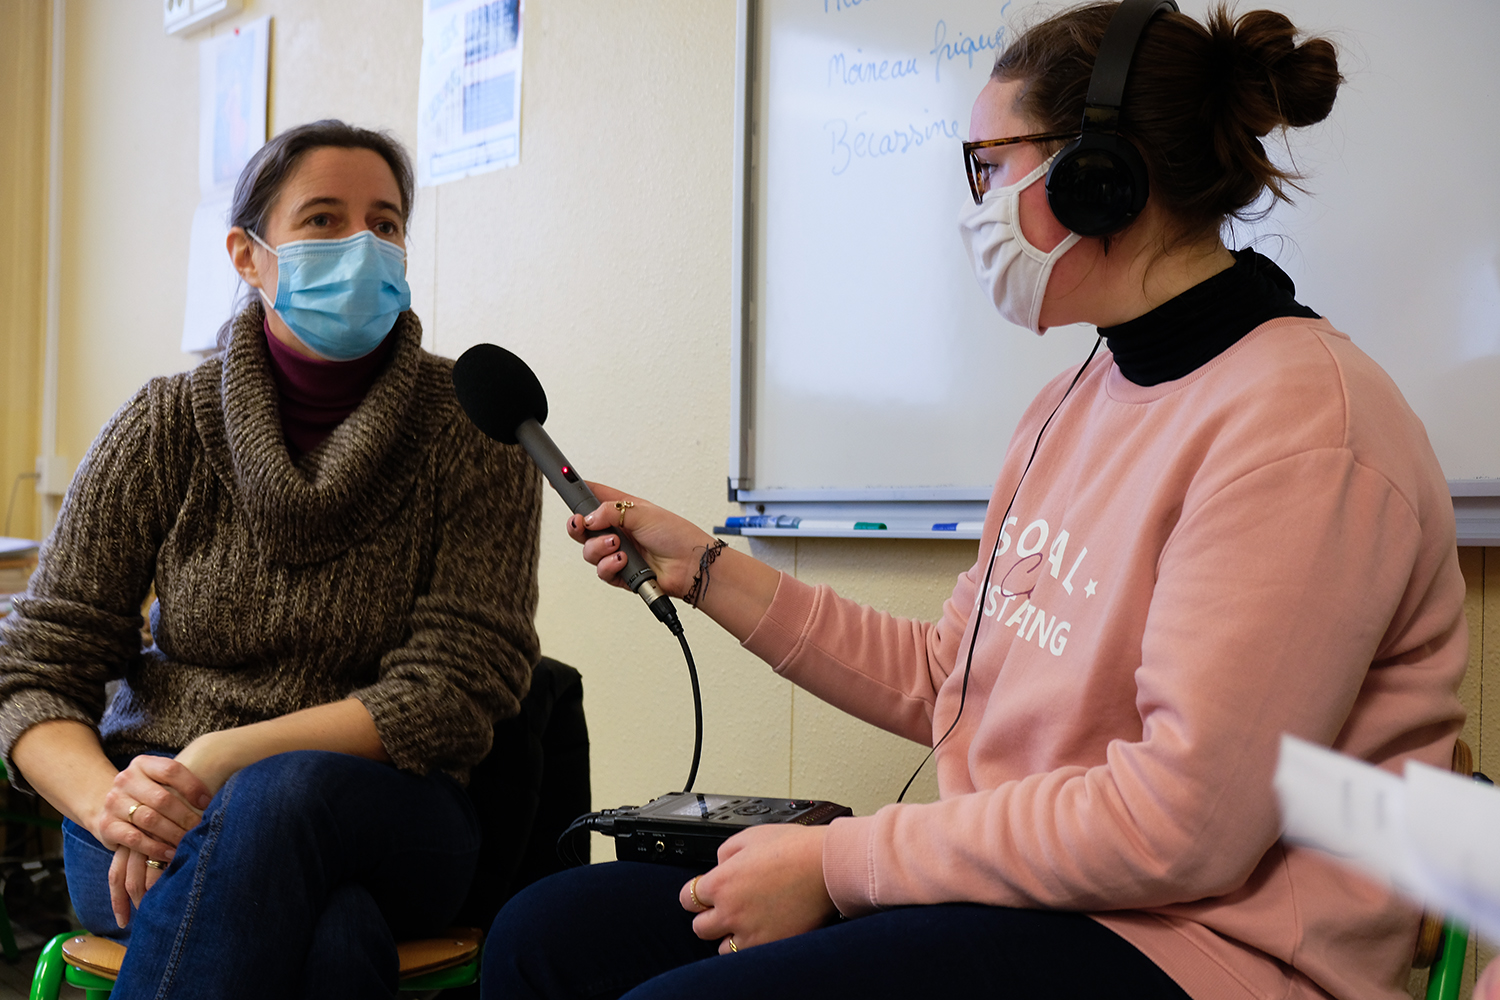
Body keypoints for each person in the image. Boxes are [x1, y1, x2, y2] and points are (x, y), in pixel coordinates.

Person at [480, 4, 1466, 1000]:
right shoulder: (1074, 400)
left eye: (989, 166)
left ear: (1098, 173)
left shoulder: (1304, 428)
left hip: (1206, 953)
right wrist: (706, 569)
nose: (975, 203)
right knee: (547, 933)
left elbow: (1183, 825)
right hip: (1036, 900)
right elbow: (951, 682)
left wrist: (843, 861)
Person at [0, 120, 543, 999]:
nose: (361, 245)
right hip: (153, 815)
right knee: (333, 942)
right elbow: (37, 666)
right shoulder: (164, 425)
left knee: (281, 797)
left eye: (386, 222)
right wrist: (113, 804)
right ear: (247, 256)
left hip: (389, 813)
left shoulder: (469, 429)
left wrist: (227, 754)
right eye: (323, 219)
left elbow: (456, 687)